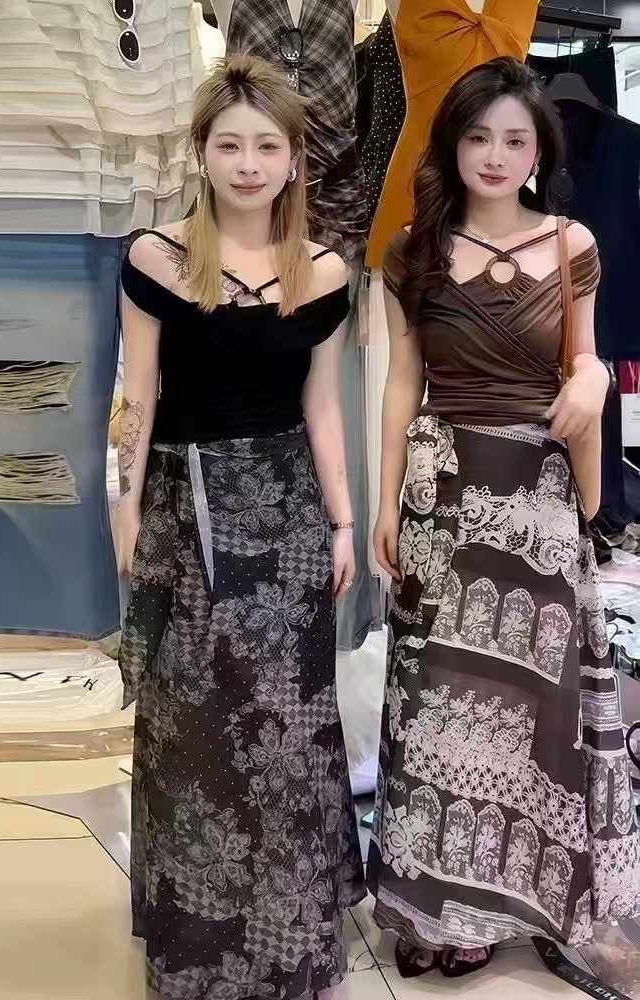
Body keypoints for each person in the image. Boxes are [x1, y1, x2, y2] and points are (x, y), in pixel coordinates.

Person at [369, 56, 640, 979]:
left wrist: (593, 384)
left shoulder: (571, 244)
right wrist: (383, 501)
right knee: (432, 706)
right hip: (441, 497)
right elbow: (401, 382)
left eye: (515, 139)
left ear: (539, 153)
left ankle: (498, 908)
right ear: (453, 142)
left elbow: (583, 360)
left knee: (528, 713)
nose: (495, 155)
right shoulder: (411, 249)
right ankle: (431, 904)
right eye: (478, 135)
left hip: (537, 502)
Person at [116, 53, 366, 1000]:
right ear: (202, 153)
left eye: (267, 146)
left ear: (295, 159)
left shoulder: (325, 272)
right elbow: (135, 399)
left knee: (287, 731)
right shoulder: (156, 258)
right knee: (189, 727)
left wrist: (344, 522)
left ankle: (288, 939)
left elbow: (324, 407)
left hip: (288, 519)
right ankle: (194, 945)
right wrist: (123, 509)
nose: (249, 164)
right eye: (230, 145)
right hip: (184, 513)